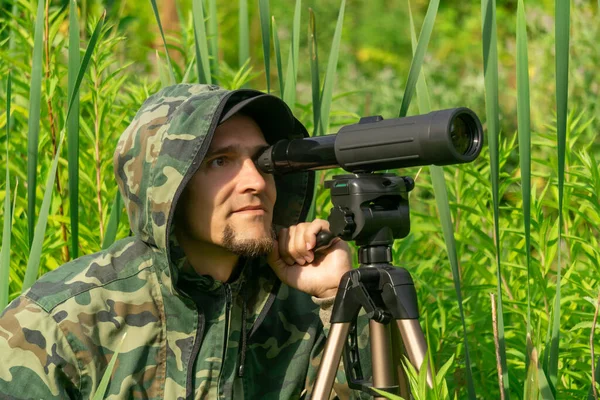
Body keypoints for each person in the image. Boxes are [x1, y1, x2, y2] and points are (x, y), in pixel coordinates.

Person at [0, 84, 370, 399]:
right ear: (166, 188)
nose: (255, 181)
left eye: (263, 161)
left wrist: (340, 296)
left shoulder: (305, 312)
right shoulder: (60, 324)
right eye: (219, 162)